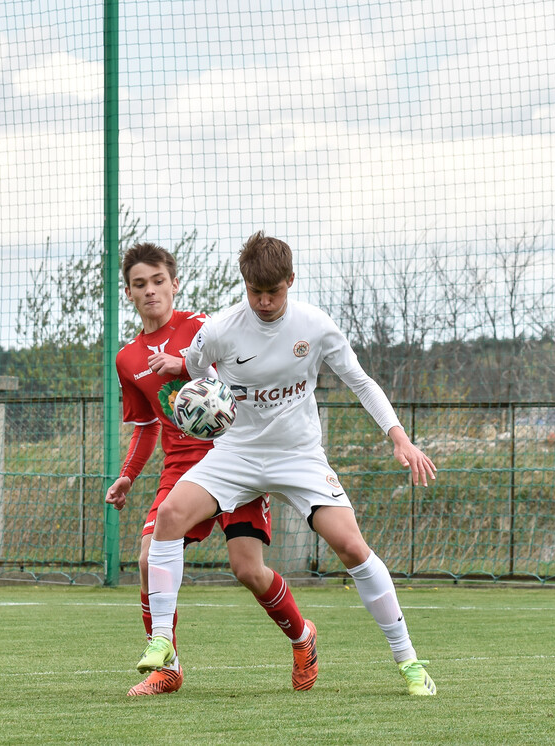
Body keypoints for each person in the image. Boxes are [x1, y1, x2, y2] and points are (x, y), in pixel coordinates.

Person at [136, 231, 439, 696]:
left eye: (273, 291)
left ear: (290, 281)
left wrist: (398, 436)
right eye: (255, 291)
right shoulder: (218, 329)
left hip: (298, 456)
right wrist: (209, 407)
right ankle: (161, 642)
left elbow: (360, 381)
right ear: (244, 284)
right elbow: (198, 373)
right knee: (169, 518)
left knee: (352, 548)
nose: (263, 301)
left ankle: (410, 663)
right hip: (236, 454)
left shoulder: (315, 326)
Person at [107, 241, 318, 697]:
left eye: (158, 281)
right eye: (140, 284)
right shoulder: (127, 359)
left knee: (248, 570)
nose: (150, 291)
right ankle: (168, 667)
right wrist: (128, 474)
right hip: (180, 468)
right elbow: (145, 427)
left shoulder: (208, 327)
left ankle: (303, 637)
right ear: (128, 292)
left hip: (236, 456)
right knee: (147, 558)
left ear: (174, 283)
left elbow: (253, 368)